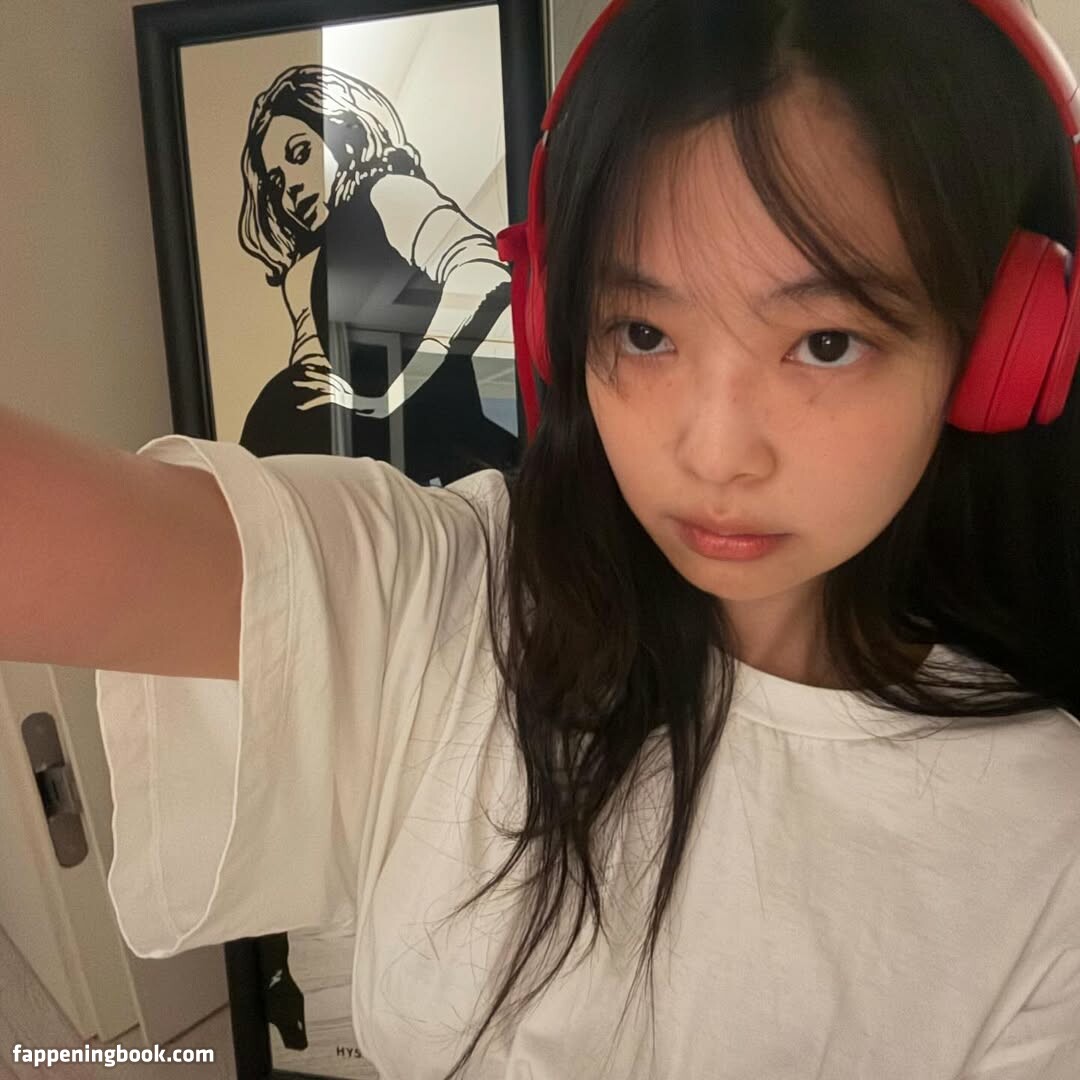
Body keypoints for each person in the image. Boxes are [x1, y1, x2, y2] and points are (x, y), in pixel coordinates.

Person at [3, 0, 1077, 1077]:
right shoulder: (449, 597)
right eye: (644, 333)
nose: (714, 455)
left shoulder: (1046, 846)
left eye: (827, 342)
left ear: (1002, 354)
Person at [236, 64, 520, 483]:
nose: (290, 188)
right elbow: (311, 382)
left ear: (345, 136)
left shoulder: (389, 194)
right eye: (275, 182)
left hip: (446, 458)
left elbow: (482, 273)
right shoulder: (304, 273)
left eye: (300, 154)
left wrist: (392, 396)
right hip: (360, 477)